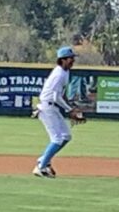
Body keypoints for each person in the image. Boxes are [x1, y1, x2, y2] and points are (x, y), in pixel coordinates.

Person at [32, 46, 83, 178]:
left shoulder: (65, 72)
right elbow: (55, 97)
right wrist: (69, 109)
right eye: (70, 58)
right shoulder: (59, 74)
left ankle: (43, 159)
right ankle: (41, 167)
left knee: (66, 136)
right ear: (63, 60)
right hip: (47, 107)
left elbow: (61, 95)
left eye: (73, 58)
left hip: (52, 107)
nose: (73, 61)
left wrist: (69, 106)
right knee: (57, 139)